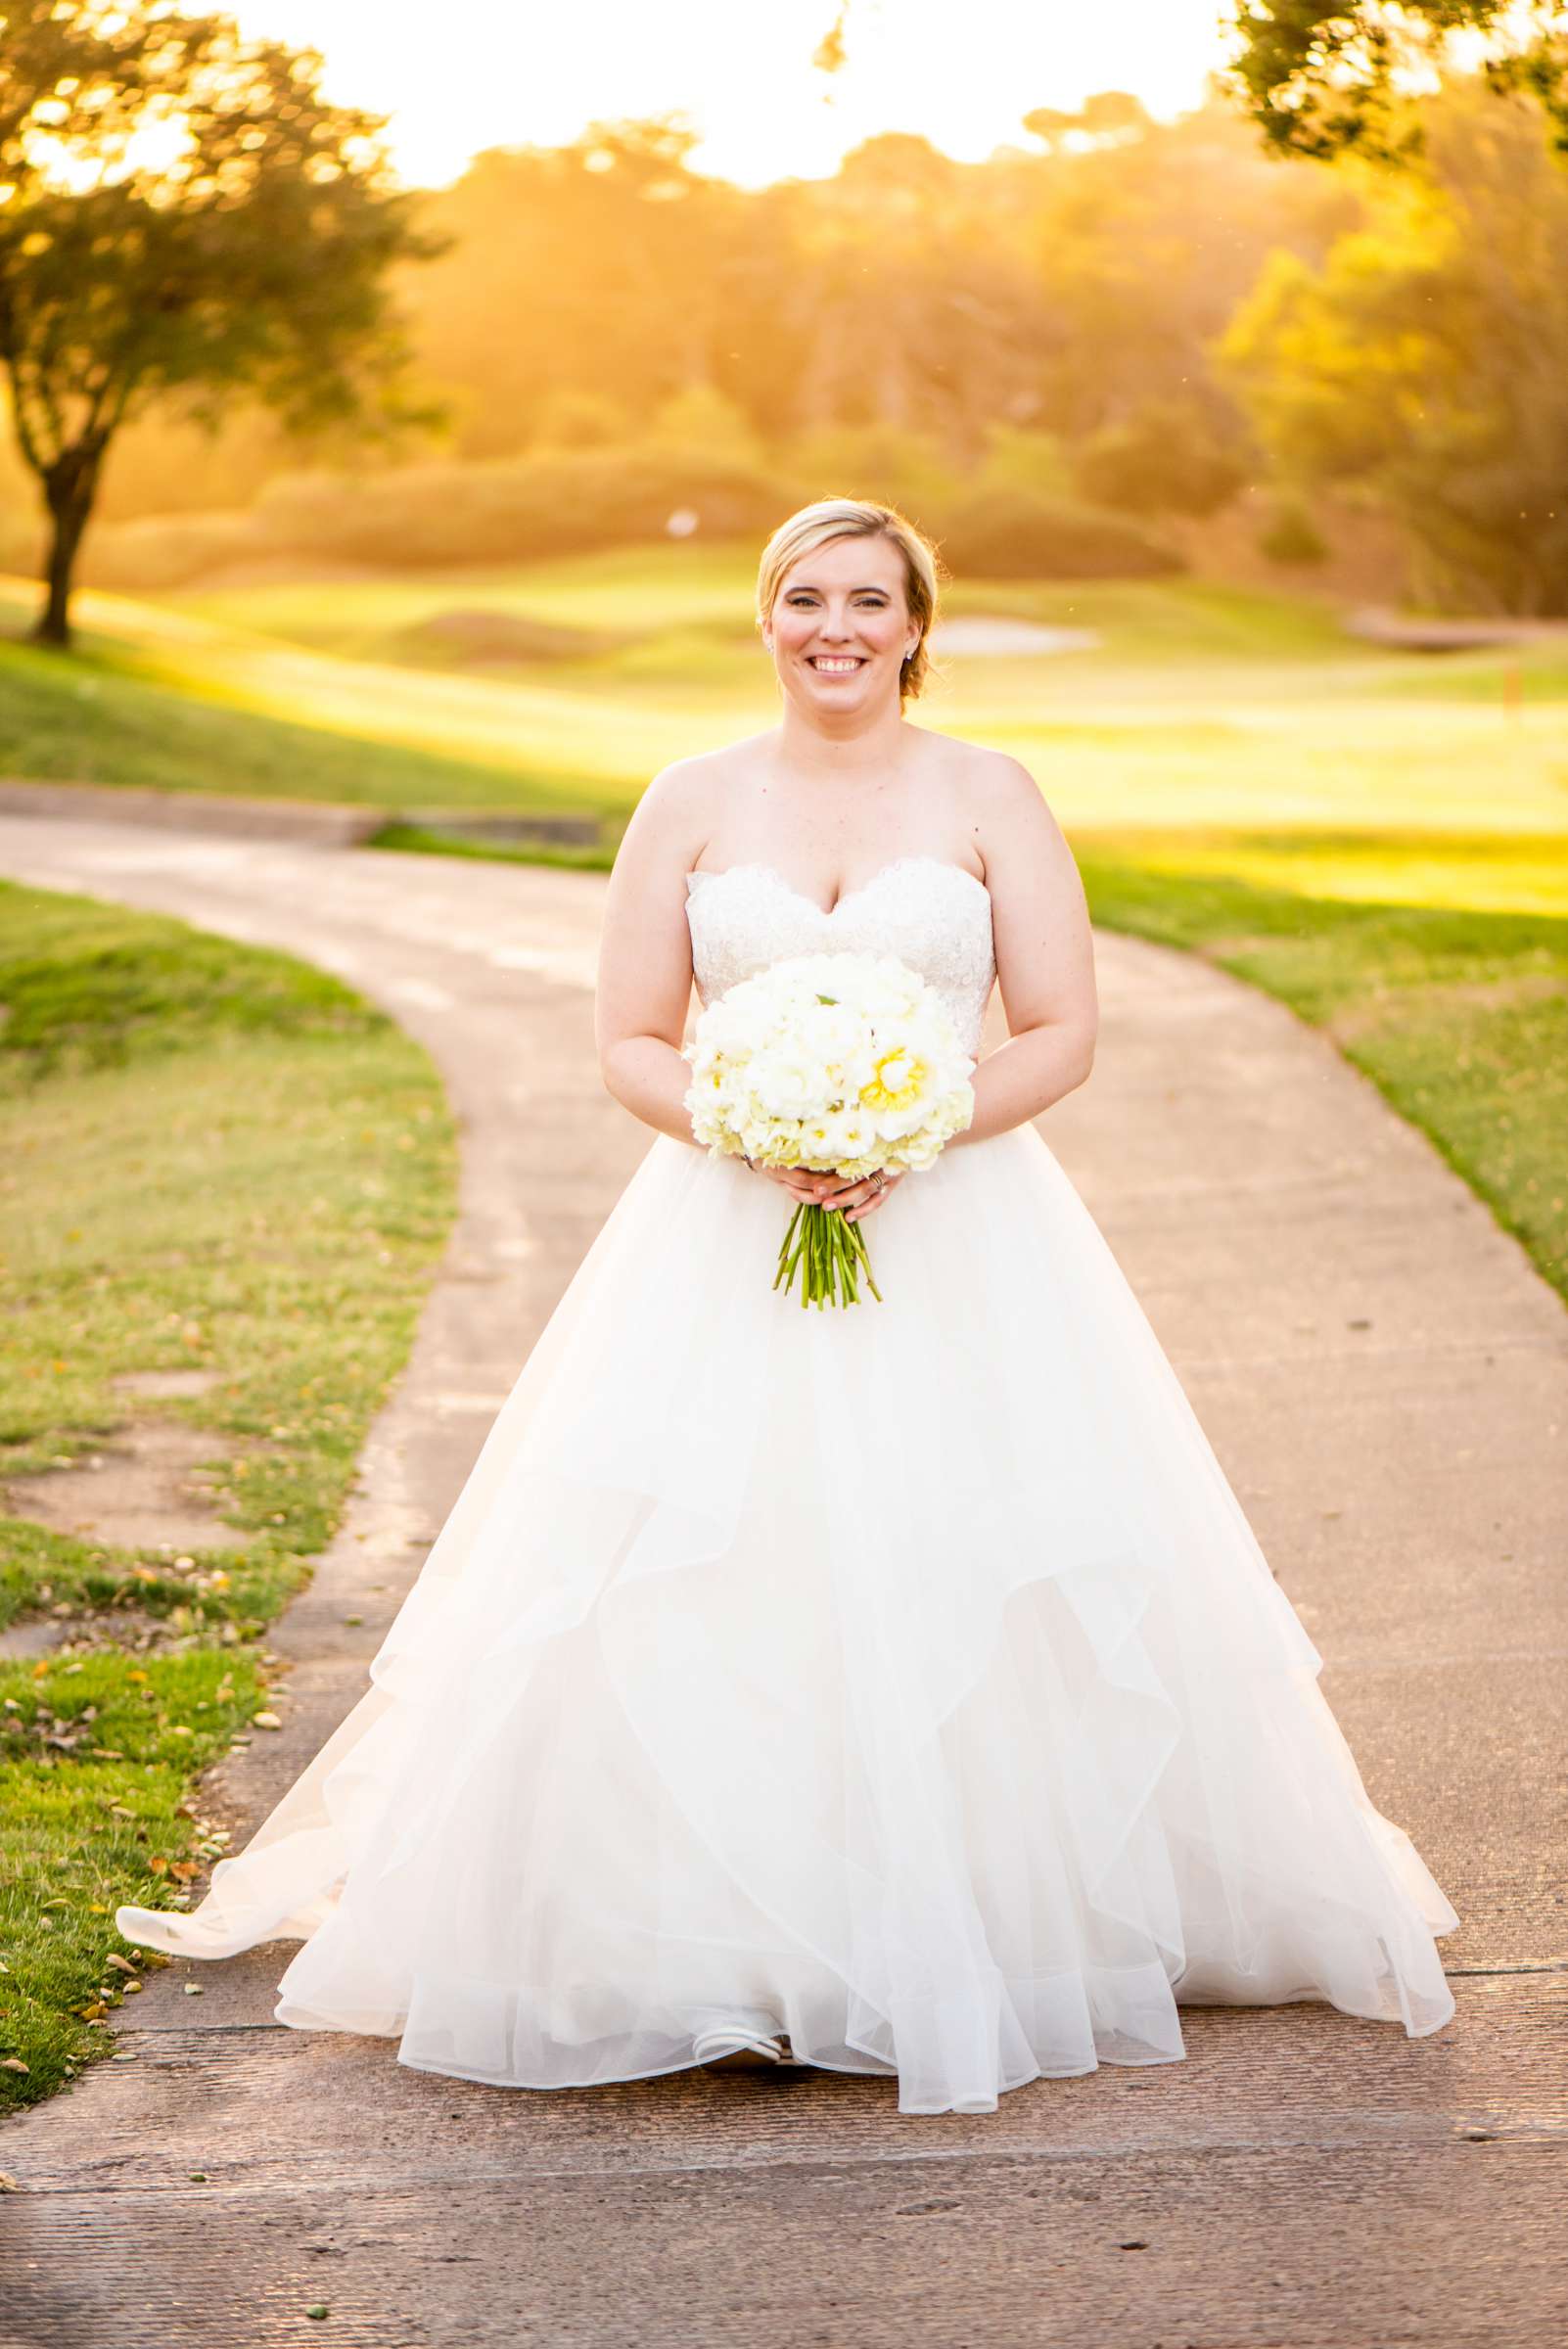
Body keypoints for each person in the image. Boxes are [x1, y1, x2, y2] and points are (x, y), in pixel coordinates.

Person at [116, 495, 1458, 2117]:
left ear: (914, 628)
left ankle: (976, 1917)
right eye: (804, 598)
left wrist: (905, 1130)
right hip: (716, 1230)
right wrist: (759, 1128)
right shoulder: (689, 800)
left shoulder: (987, 794)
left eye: (868, 602)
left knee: (956, 1557)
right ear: (765, 621)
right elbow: (628, 1040)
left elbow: (1058, 1027)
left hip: (963, 1232)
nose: (835, 626)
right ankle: (719, 1942)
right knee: (708, 1564)